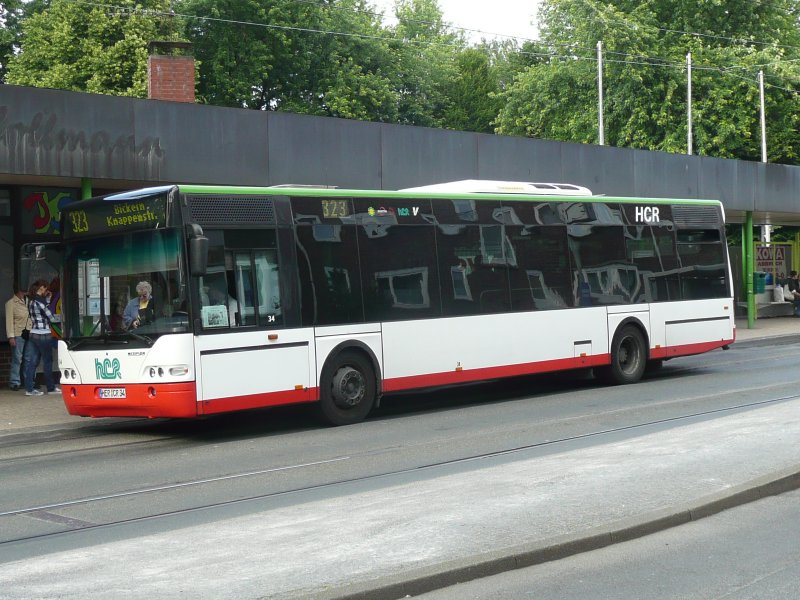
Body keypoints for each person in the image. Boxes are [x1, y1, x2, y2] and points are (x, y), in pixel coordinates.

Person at [24, 279, 61, 397]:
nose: (47, 291)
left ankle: (29, 389)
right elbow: (51, 317)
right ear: (41, 288)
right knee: (48, 361)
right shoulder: (41, 302)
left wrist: (48, 300)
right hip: (44, 334)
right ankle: (50, 388)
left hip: (33, 333)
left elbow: (42, 312)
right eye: (46, 289)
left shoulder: (31, 301)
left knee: (33, 362)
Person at [5, 284, 30, 391]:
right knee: (17, 359)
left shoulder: (28, 301)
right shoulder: (11, 303)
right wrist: (11, 337)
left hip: (29, 333)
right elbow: (9, 321)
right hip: (18, 334)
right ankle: (14, 382)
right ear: (19, 291)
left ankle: (27, 381)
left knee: (28, 359)